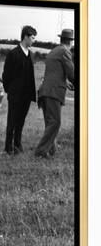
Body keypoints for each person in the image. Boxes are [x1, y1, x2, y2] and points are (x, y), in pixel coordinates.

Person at [35, 28, 75, 158]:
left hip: (44, 91)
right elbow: (72, 73)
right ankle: (41, 152)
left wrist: (66, 83)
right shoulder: (65, 51)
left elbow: (55, 73)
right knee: (55, 122)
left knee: (50, 122)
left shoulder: (53, 51)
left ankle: (51, 150)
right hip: (53, 92)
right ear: (70, 41)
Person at [2, 25, 37, 155]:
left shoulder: (31, 55)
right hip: (15, 95)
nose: (34, 41)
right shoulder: (13, 54)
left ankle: (17, 145)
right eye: (32, 38)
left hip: (26, 96)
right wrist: (10, 91)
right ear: (26, 37)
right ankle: (8, 148)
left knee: (21, 121)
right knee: (12, 121)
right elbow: (6, 75)